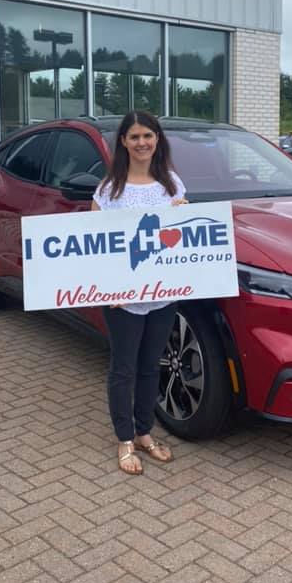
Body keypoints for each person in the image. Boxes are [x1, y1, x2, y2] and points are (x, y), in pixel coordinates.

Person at [92, 110, 188, 475]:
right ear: (123, 142)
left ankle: (145, 433)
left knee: (151, 366)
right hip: (123, 298)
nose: (142, 142)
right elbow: (96, 246)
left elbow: (183, 238)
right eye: (134, 137)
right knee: (123, 368)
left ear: (158, 138)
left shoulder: (171, 184)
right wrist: (108, 288)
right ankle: (125, 439)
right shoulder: (108, 191)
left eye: (148, 135)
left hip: (163, 294)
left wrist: (185, 213)